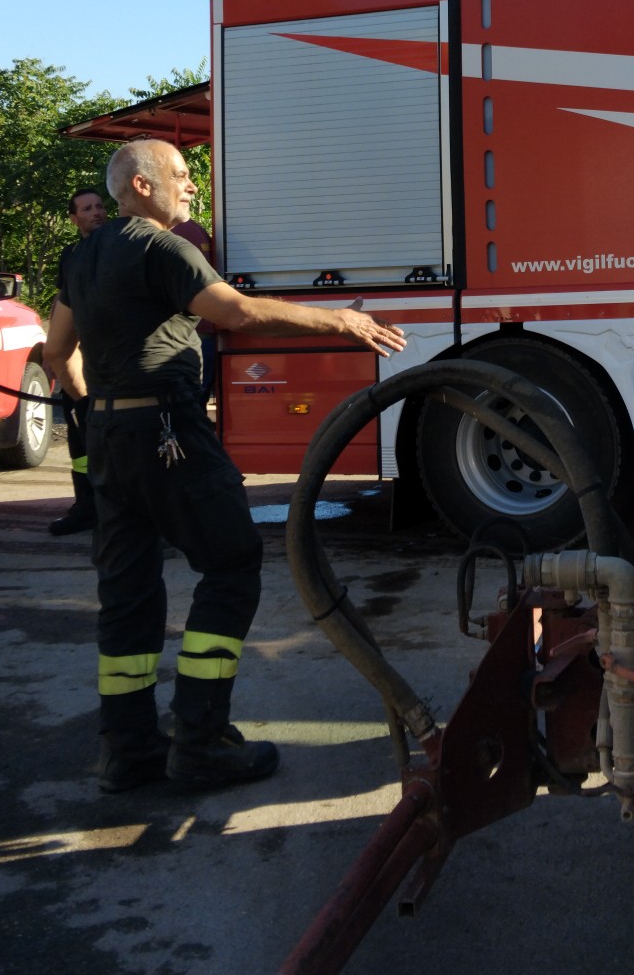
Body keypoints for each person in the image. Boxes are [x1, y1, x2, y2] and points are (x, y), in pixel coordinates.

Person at [43, 138, 406, 792]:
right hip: (169, 431)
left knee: (126, 593)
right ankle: (201, 739)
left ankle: (127, 752)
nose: (192, 187)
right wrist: (343, 324)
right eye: (181, 176)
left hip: (111, 435)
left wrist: (97, 406)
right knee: (233, 563)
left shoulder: (80, 255)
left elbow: (57, 352)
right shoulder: (164, 247)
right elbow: (233, 313)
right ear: (142, 186)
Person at [47, 186, 109, 537]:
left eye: (100, 206)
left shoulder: (117, 247)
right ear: (73, 219)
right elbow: (62, 303)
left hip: (107, 361)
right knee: (78, 439)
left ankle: (116, 510)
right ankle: (86, 506)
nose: (96, 212)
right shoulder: (71, 254)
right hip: (76, 360)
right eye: (86, 208)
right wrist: (53, 351)